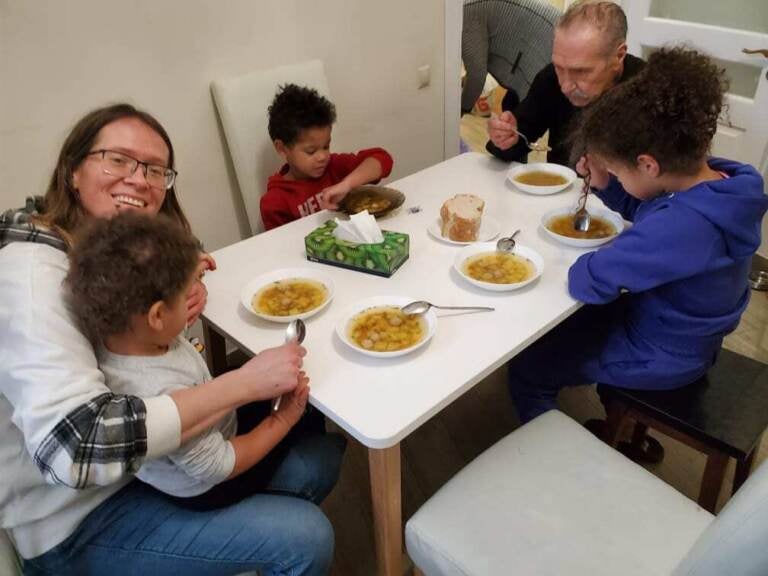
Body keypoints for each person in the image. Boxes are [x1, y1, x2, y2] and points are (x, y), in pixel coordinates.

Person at [0, 103, 345, 575]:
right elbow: (75, 448)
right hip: (74, 519)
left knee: (319, 456)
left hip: (147, 472)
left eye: (156, 169)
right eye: (117, 159)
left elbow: (133, 345)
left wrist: (171, 296)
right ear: (72, 170)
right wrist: (243, 385)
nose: (140, 180)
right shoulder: (31, 278)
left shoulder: (94, 247)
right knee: (306, 535)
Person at [507, 48, 768, 435]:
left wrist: (592, 260)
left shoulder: (684, 227)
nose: (615, 177)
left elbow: (589, 280)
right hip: (688, 337)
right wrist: (606, 185)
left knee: (528, 369)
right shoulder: (731, 182)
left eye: (617, 170)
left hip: (661, 354)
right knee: (567, 328)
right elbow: (650, 206)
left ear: (648, 164)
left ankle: (563, 455)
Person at [65, 212, 340, 510]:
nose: (194, 294)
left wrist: (185, 273)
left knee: (291, 400)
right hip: (209, 484)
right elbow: (220, 466)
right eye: (187, 293)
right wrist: (282, 419)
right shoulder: (157, 390)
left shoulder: (126, 333)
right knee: (307, 416)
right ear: (157, 315)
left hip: (215, 422)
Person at [486, 0, 644, 166]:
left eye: (581, 71)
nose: (566, 86)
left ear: (618, 56)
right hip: (563, 188)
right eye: (559, 67)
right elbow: (519, 138)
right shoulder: (550, 78)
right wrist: (503, 138)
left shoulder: (651, 88)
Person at [260, 84, 394, 230]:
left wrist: (347, 184)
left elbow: (382, 158)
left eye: (326, 146)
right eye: (311, 151)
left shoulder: (334, 166)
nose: (323, 156)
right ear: (282, 148)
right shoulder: (275, 201)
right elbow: (278, 246)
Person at [461, 0, 561, 116]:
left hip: (550, 42)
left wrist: (461, 108)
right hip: (548, 34)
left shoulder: (465, 12)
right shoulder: (466, 7)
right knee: (510, 106)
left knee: (523, 117)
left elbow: (476, 75)